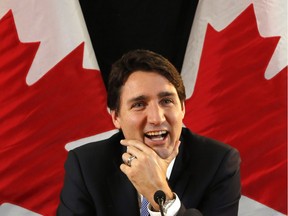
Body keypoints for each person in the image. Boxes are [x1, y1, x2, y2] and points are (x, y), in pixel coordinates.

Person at [57, 50, 241, 216]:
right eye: (139, 105)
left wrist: (160, 194)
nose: (157, 118)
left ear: (183, 107)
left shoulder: (219, 162)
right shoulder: (86, 165)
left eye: (167, 101)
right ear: (116, 117)